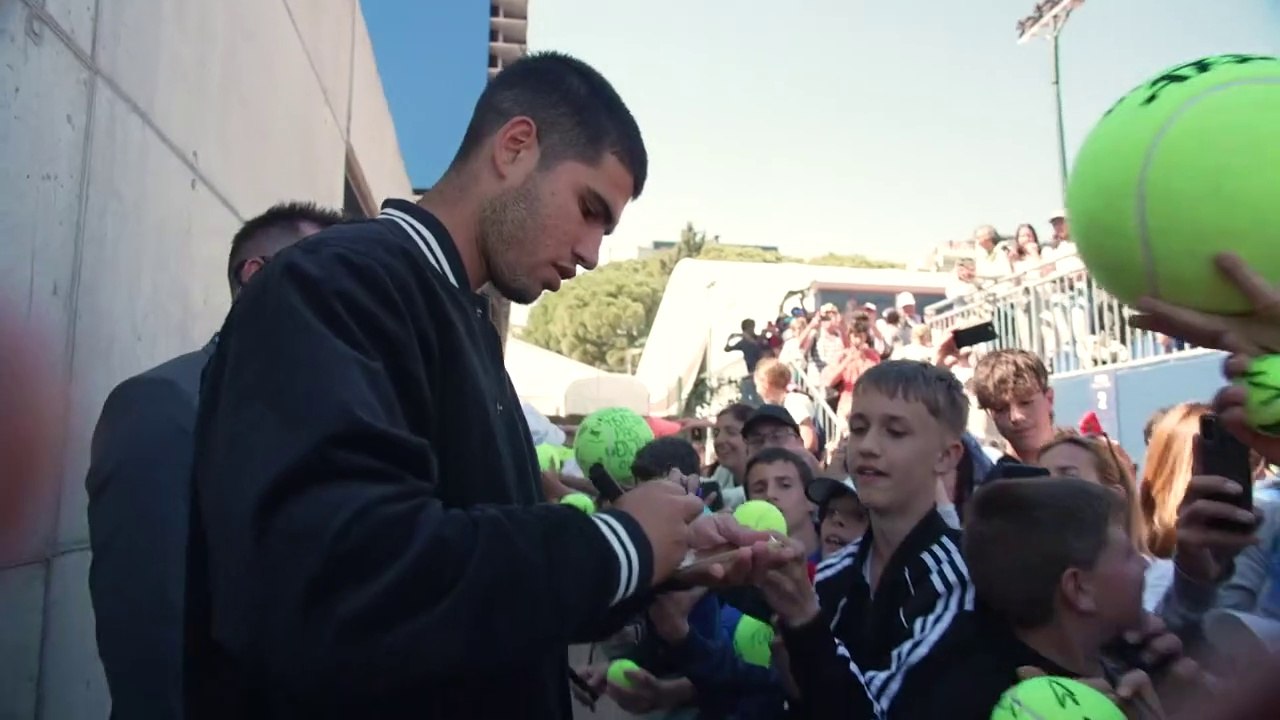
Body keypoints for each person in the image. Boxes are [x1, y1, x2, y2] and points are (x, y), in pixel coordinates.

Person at [185, 52, 766, 720]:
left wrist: (664, 562)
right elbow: (344, 583)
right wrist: (620, 545)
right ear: (515, 147)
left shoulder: (460, 321)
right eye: (588, 209)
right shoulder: (335, 283)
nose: (591, 253)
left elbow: (473, 592)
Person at [84, 201, 341, 719]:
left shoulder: (325, 415)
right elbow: (154, 648)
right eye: (334, 277)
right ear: (257, 276)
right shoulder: (163, 405)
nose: (351, 299)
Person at [752, 360, 972, 719]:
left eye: (895, 432)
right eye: (858, 428)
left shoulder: (960, 578)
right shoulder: (832, 572)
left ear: (946, 456)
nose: (868, 446)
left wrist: (805, 621)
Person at [918, 477, 1194, 719]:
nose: (1144, 565)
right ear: (1079, 589)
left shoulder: (1138, 656)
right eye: (1128, 554)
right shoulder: (980, 701)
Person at [970, 349, 1055, 465]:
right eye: (1001, 409)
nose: (1016, 417)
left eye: (1025, 403)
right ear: (990, 413)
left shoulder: (1079, 461)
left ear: (1049, 399)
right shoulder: (991, 474)